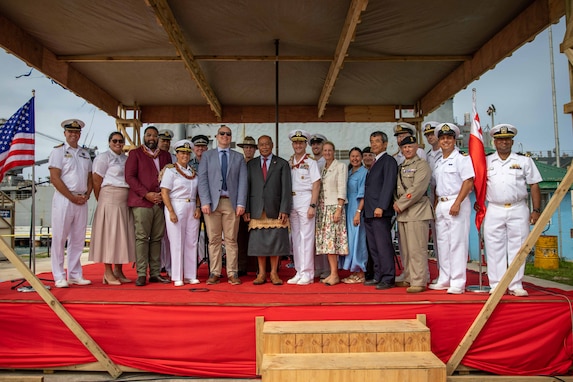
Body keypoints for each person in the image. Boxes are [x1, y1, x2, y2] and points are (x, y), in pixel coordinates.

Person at [480, 124, 542, 297]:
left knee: (518, 247)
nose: (504, 142)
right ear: (494, 141)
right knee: (494, 248)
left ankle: (516, 284)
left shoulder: (524, 161)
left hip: (518, 208)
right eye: (500, 139)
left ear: (512, 141)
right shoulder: (486, 161)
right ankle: (497, 284)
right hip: (494, 208)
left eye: (507, 139)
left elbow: (534, 184)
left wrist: (536, 209)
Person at [198, 125, 247, 285]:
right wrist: (204, 201)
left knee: (231, 240)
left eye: (228, 134)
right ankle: (215, 272)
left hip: (231, 203)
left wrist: (241, 203)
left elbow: (242, 182)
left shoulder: (238, 157)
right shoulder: (207, 156)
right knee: (214, 240)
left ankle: (232, 273)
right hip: (212, 203)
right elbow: (202, 179)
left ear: (230, 137)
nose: (225, 136)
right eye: (222, 133)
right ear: (217, 136)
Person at [429, 123, 474, 294]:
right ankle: (444, 278)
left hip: (457, 202)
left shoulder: (462, 158)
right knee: (442, 243)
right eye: (442, 138)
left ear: (455, 140)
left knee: (457, 243)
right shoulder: (439, 161)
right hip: (442, 203)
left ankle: (457, 281)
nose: (445, 141)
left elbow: (468, 181)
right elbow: (435, 186)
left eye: (449, 138)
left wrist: (458, 203)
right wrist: (435, 205)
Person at [125, 125, 172, 286]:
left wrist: (161, 196)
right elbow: (130, 177)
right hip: (142, 202)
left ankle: (155, 272)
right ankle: (140, 273)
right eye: (149, 135)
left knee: (157, 239)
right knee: (142, 238)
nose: (151, 138)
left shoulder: (165, 156)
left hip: (160, 202)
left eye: (154, 135)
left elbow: (169, 177)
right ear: (144, 137)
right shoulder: (135, 154)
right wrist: (146, 194)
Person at [49, 119, 93, 288]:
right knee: (60, 237)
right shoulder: (58, 152)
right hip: (64, 199)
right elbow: (55, 178)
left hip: (81, 199)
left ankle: (74, 274)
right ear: (65, 133)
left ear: (80, 134)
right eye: (70, 132)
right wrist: (72, 197)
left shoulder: (85, 154)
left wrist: (87, 194)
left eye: (76, 132)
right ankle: (59, 275)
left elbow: (90, 177)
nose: (74, 135)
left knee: (78, 238)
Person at [88, 131, 135, 285]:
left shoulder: (125, 159)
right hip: (109, 197)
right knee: (110, 236)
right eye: (114, 141)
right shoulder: (103, 158)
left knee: (122, 235)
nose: (118, 143)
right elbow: (96, 180)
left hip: (124, 199)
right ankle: (107, 272)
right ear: (109, 142)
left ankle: (118, 270)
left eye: (120, 141)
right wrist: (101, 199)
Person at [245, 135, 292, 285]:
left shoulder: (282, 164)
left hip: (275, 208)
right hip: (257, 209)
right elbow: (246, 188)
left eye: (267, 144)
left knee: (275, 242)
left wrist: (284, 209)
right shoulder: (251, 165)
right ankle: (261, 274)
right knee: (259, 243)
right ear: (258, 147)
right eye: (261, 145)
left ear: (272, 145)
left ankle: (274, 273)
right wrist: (246, 209)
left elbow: (286, 188)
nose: (264, 147)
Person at [393, 136, 434, 293]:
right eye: (404, 148)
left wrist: (400, 203)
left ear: (416, 147)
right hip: (403, 213)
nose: (407, 150)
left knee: (417, 248)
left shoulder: (422, 165)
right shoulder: (401, 166)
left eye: (410, 146)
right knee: (406, 249)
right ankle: (409, 277)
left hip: (417, 211)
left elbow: (417, 189)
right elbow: (397, 187)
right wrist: (396, 203)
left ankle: (419, 280)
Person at [160, 140, 201, 287]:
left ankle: (191, 274)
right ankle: (177, 275)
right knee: (177, 242)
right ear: (176, 154)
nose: (185, 155)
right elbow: (164, 192)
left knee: (191, 242)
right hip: (176, 204)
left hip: (191, 205)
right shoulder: (171, 171)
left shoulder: (192, 171)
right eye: (182, 152)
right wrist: (171, 211)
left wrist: (197, 207)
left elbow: (197, 192)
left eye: (187, 153)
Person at [363, 131, 398, 290]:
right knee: (374, 247)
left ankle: (388, 277)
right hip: (370, 211)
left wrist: (382, 206)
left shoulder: (388, 161)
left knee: (383, 246)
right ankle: (378, 275)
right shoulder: (375, 162)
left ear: (385, 144)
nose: (374, 144)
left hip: (380, 211)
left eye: (377, 141)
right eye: (372, 141)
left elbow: (388, 185)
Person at [287, 130, 321, 285]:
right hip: (292, 200)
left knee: (306, 237)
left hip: (306, 199)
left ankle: (308, 273)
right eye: (295, 142)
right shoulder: (289, 162)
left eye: (301, 142)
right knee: (296, 238)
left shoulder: (311, 162)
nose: (298, 145)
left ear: (305, 144)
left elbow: (316, 184)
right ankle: (299, 271)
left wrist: (312, 205)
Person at [315, 141, 348, 286]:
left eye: (330, 150)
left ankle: (335, 274)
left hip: (334, 207)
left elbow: (342, 188)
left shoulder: (340, 166)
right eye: (325, 150)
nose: (327, 153)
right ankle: (332, 272)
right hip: (323, 208)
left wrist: (339, 209)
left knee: (332, 243)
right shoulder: (322, 167)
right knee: (328, 245)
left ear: (334, 151)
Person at [341, 147, 368, 284]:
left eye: (358, 156)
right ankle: (354, 271)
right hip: (347, 208)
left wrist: (358, 212)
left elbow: (363, 195)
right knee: (351, 241)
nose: (355, 159)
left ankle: (361, 272)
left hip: (357, 209)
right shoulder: (349, 172)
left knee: (358, 241)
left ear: (362, 157)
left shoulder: (364, 172)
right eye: (352, 156)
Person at [237, 136, 258, 276]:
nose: (248, 149)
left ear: (255, 149)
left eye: (251, 147)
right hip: (240, 206)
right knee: (240, 238)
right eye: (246, 147)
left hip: (255, 206)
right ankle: (241, 266)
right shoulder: (239, 163)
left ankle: (258, 268)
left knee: (256, 238)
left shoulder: (258, 164)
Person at [423, 121, 442, 283]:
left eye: (432, 134)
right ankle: (442, 273)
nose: (430, 137)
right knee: (437, 239)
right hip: (431, 200)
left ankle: (453, 275)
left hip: (446, 199)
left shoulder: (450, 153)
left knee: (451, 241)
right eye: (427, 134)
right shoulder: (428, 155)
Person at [309, 133, 329, 278]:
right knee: (313, 237)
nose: (315, 146)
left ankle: (327, 269)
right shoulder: (309, 162)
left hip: (324, 203)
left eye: (318, 144)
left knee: (325, 237)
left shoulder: (327, 162)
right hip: (310, 203)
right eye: (313, 144)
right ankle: (316, 267)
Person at [189, 134, 210, 265]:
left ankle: (213, 265)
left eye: (203, 146)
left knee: (212, 238)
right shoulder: (189, 165)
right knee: (192, 237)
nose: (200, 149)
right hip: (193, 206)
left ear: (207, 148)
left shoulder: (212, 163)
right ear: (193, 148)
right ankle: (192, 265)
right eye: (197, 146)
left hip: (209, 204)